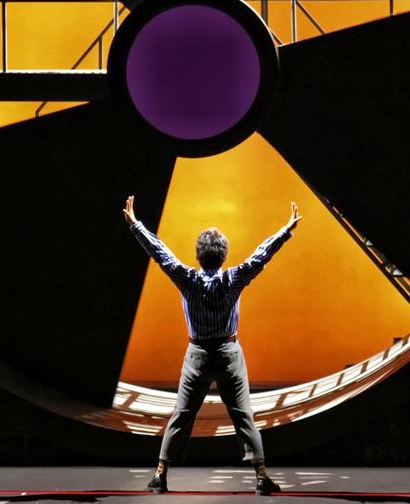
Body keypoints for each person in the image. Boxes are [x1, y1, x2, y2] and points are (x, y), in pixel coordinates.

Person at [123, 195, 301, 495]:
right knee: (243, 414)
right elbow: (261, 255)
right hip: (229, 354)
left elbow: (160, 253)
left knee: (182, 414)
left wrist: (135, 224)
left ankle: (160, 474)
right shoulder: (234, 279)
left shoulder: (187, 279)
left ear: (199, 256)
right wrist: (285, 231)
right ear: (223, 255)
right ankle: (261, 477)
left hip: (197, 355)